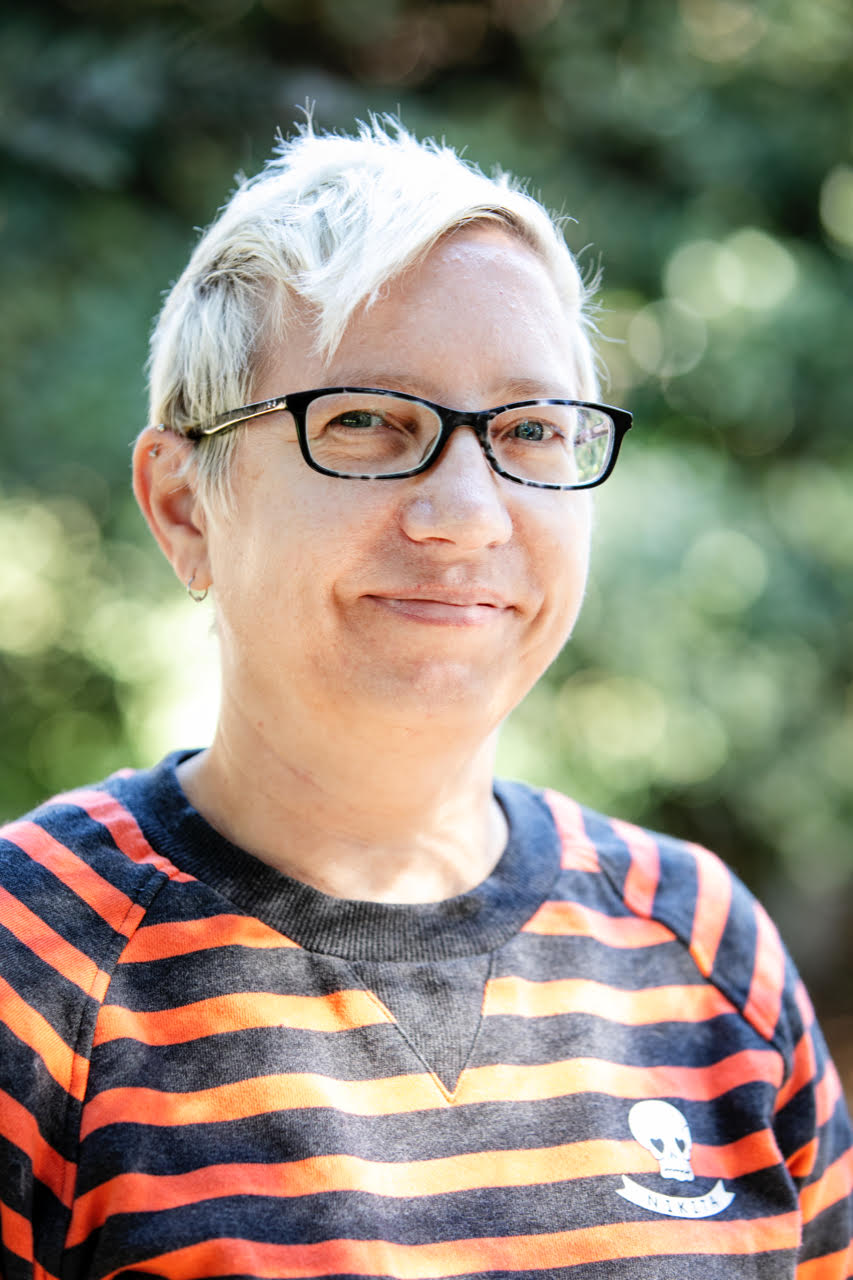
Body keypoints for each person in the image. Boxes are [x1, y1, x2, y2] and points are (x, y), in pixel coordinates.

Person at [1, 116, 851, 1280]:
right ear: (187, 503)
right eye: (364, 421)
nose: (466, 512)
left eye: (530, 430)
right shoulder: (32, 969)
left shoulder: (705, 948)